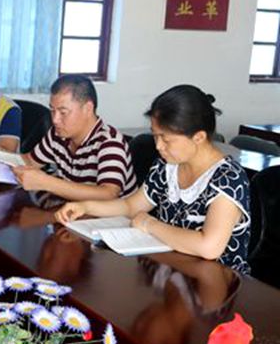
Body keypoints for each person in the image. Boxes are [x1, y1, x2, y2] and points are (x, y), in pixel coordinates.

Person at [55, 85, 251, 273]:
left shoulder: (228, 178)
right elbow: (130, 206)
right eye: (155, 136)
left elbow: (209, 247)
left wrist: (150, 225)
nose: (158, 146)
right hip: (172, 271)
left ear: (198, 137)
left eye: (166, 139)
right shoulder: (168, 166)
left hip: (217, 281)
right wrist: (85, 207)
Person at [13, 75, 136, 201]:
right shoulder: (58, 134)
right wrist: (3, 158)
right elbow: (30, 161)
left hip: (109, 213)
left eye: (63, 112)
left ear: (88, 108)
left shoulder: (110, 142)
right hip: (75, 208)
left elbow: (108, 194)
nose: (55, 120)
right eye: (52, 110)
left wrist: (46, 182)